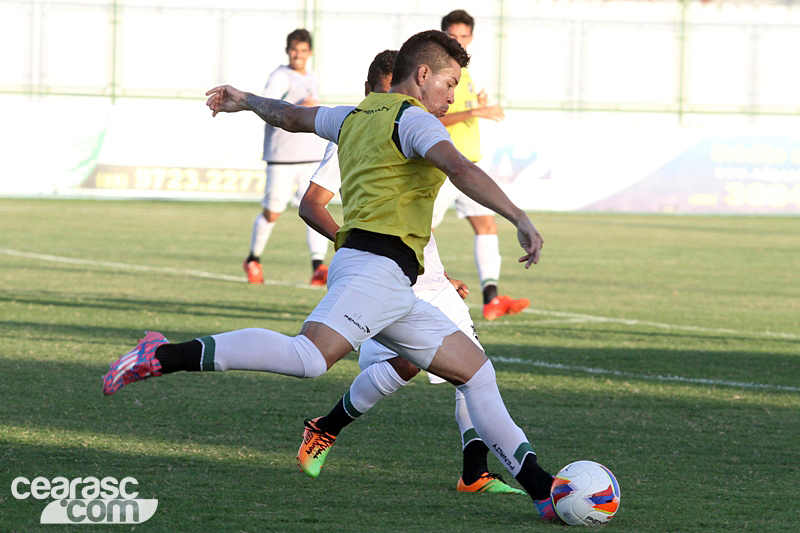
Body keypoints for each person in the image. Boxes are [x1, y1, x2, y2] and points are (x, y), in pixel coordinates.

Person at [103, 30, 556, 521]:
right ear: (422, 75)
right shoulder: (418, 123)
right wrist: (520, 217)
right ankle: (163, 354)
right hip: (376, 270)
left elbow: (291, 117)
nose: (452, 95)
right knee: (309, 357)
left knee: (475, 372)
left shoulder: (354, 114)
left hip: (389, 279)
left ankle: (543, 490)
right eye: (449, 83)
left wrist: (245, 100)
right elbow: (461, 169)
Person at [296, 49, 523, 495]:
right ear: (369, 93)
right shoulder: (355, 130)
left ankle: (474, 473)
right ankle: (326, 426)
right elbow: (311, 204)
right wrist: (354, 243)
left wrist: (440, 272)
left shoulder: (417, 123)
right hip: (382, 271)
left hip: (424, 271)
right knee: (401, 365)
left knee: (472, 369)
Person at [432, 9, 530, 321]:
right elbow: (434, 116)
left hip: (468, 165)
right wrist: (475, 114)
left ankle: (492, 298)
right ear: (443, 35)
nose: (457, 41)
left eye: (462, 36)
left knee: (486, 226)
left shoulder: (465, 72)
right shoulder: (438, 73)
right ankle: (421, 289)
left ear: (471, 37)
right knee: (421, 230)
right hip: (445, 167)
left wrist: (477, 107)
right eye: (451, 35)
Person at [243, 28, 330, 286]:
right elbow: (267, 106)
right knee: (273, 212)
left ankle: (318, 266)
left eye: (303, 50)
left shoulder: (312, 77)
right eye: (294, 49)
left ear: (310, 53)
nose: (298, 55)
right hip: (282, 157)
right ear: (287, 50)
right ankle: (253, 259)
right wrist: (301, 105)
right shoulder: (280, 77)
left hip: (310, 156)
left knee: (316, 207)